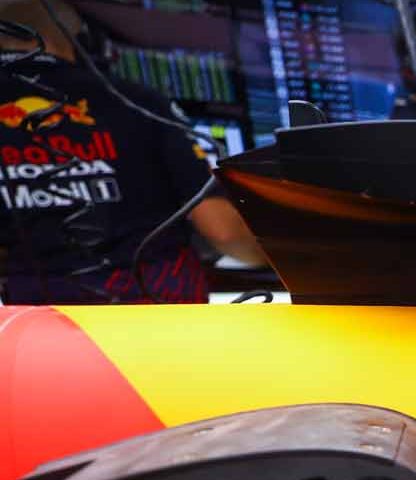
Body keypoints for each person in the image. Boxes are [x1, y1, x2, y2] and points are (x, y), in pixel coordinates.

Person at [0, 0, 261, 304]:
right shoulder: (137, 101)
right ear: (82, 42)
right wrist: (287, 258)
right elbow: (223, 231)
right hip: (155, 307)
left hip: (43, 322)